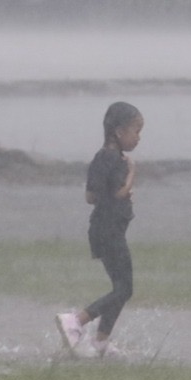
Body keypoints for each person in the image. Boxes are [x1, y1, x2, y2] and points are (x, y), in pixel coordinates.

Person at [55, 101, 144, 358]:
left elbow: (91, 196)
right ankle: (76, 321)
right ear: (119, 132)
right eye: (135, 131)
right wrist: (130, 177)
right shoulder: (116, 160)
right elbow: (118, 193)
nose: (138, 138)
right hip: (110, 232)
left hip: (102, 230)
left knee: (121, 287)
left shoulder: (101, 157)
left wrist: (118, 197)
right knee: (124, 289)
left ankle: (101, 342)